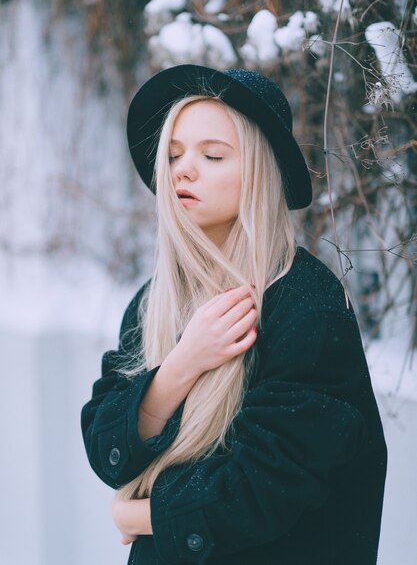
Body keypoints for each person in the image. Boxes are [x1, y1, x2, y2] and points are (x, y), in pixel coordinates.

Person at [81, 64, 387, 565]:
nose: (183, 169)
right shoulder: (155, 301)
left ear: (260, 170)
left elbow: (266, 486)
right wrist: (183, 364)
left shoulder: (305, 302)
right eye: (175, 154)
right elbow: (105, 443)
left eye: (213, 155)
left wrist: (140, 516)